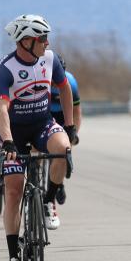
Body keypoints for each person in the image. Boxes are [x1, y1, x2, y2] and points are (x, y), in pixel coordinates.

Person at [0, 14, 76, 261]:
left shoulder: (50, 59)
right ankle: (13, 257)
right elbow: (1, 108)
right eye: (42, 38)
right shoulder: (5, 70)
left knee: (63, 148)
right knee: (14, 189)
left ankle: (50, 200)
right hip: (14, 132)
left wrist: (70, 126)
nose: (47, 43)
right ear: (26, 41)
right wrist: (7, 142)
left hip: (42, 124)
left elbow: (64, 89)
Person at [49, 54, 82, 205]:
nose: (55, 81)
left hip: (64, 115)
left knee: (65, 143)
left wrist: (74, 133)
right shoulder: (41, 80)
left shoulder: (71, 83)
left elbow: (76, 112)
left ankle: (59, 183)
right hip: (46, 114)